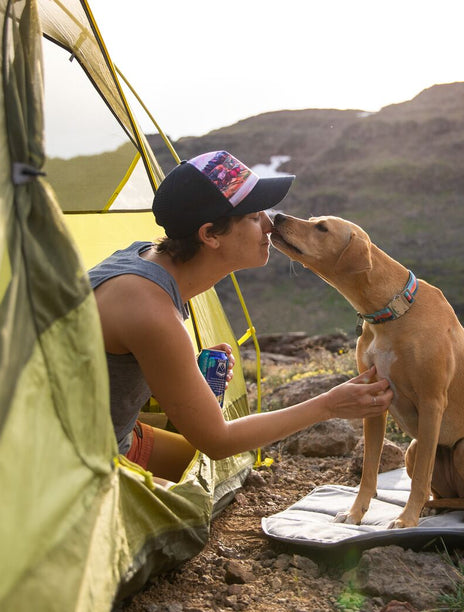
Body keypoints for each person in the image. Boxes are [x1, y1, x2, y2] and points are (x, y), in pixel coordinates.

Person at [89, 150, 393, 483]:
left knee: (218, 475)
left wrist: (186, 368)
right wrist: (329, 405)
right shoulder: (149, 307)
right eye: (253, 216)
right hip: (65, 464)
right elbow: (217, 441)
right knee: (191, 504)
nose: (269, 223)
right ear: (210, 235)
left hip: (104, 436)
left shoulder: (142, 258)